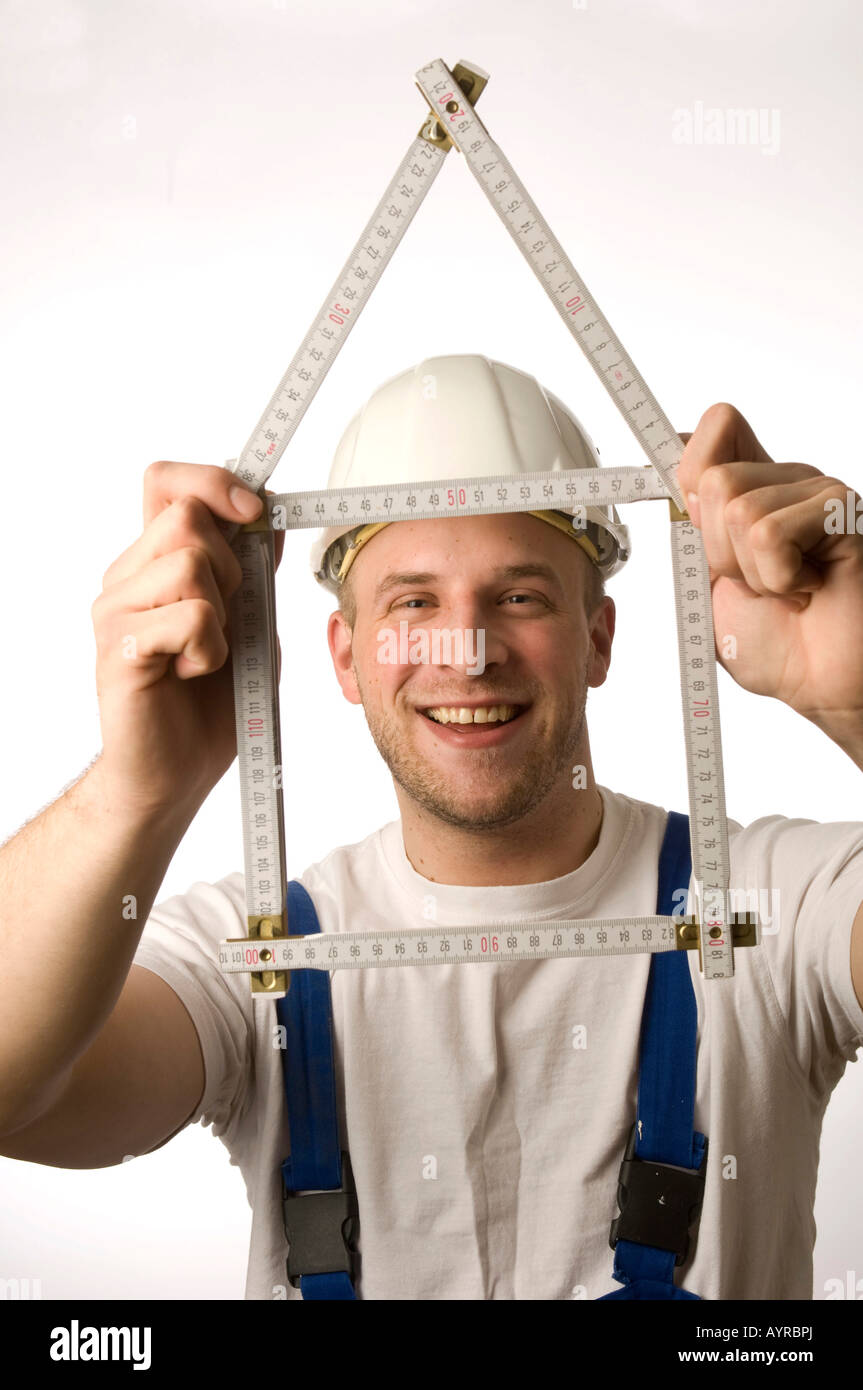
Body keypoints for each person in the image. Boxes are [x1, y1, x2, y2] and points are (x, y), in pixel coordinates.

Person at [1, 354, 862, 1302]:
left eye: (520, 596)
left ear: (600, 638)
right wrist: (136, 789)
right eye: (413, 603)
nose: (467, 651)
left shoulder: (767, 911)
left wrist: (858, 699)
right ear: (343, 657)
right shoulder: (256, 954)